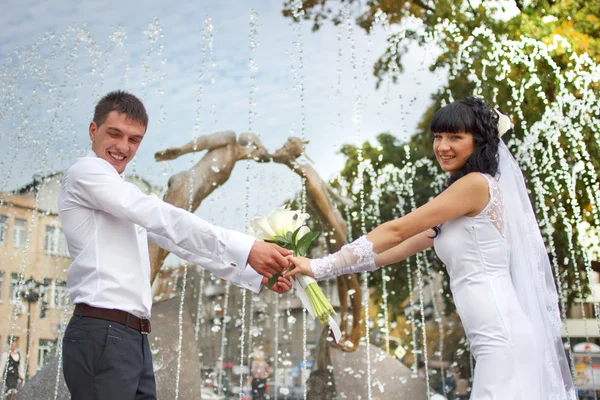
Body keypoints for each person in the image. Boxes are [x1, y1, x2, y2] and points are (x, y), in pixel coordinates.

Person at [287, 96, 576, 399]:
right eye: (438, 136)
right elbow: (387, 253)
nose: (442, 146)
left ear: (479, 142)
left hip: (502, 339)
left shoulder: (475, 185)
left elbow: (396, 230)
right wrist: (317, 268)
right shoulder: (459, 200)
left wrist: (318, 266)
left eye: (455, 137)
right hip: (496, 339)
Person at [58, 90, 293, 400]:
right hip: (103, 331)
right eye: (114, 134)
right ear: (93, 130)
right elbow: (161, 216)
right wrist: (247, 247)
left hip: (130, 336)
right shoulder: (86, 174)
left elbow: (174, 241)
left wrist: (250, 273)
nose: (123, 147)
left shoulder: (117, 190)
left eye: (134, 139)